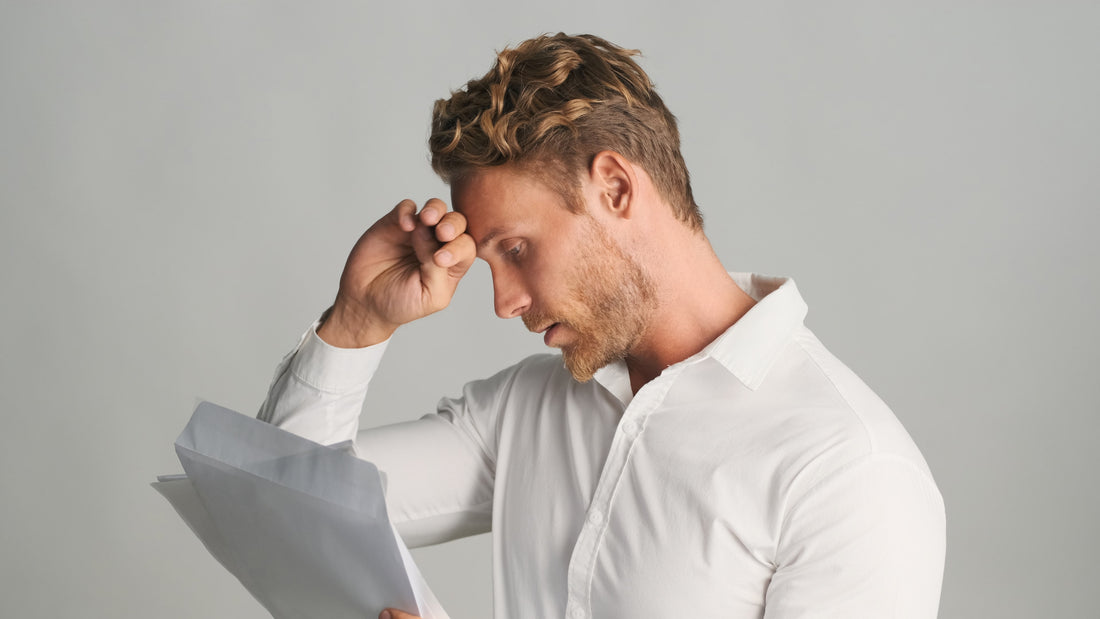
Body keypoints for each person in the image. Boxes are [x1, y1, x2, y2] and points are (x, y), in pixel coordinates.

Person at [258, 33, 946, 619]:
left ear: (615, 187)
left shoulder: (849, 471)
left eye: (517, 249)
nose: (502, 301)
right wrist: (358, 318)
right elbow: (280, 514)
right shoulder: (524, 408)